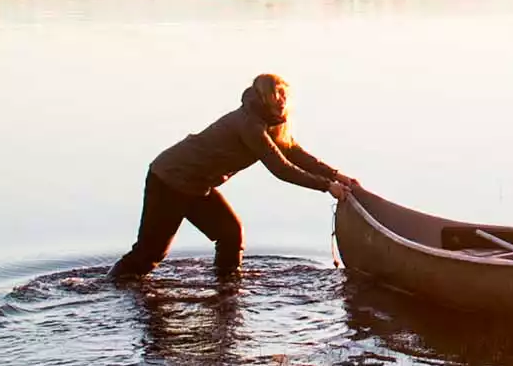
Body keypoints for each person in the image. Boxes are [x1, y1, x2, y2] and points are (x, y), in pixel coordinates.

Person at [109, 73, 351, 283]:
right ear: (263, 96)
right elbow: (281, 169)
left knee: (230, 233)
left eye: (284, 93)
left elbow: (293, 152)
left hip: (196, 184)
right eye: (276, 93)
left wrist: (336, 175)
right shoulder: (249, 124)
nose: (282, 99)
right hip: (169, 179)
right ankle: (113, 286)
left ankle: (226, 289)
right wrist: (327, 186)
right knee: (149, 254)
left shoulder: (271, 124)